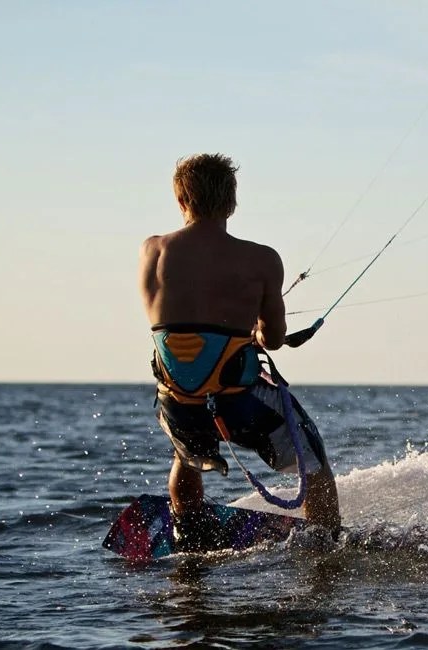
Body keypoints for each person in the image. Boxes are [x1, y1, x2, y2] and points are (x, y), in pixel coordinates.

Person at [138, 153, 340, 550]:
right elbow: (273, 338)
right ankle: (326, 549)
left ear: (182, 201)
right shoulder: (261, 259)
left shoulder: (152, 251)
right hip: (239, 402)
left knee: (185, 454)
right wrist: (257, 335)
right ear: (232, 203)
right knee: (313, 464)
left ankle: (186, 533)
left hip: (177, 401)